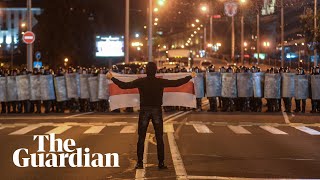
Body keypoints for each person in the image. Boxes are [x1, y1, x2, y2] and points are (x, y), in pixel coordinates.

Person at [107, 62, 196, 170]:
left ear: (146, 71)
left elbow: (124, 86)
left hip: (144, 110)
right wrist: (189, 76)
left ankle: (139, 163)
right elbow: (177, 83)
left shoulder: (141, 81)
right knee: (159, 138)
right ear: (155, 71)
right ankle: (161, 163)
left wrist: (112, 78)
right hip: (157, 110)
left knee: (141, 137)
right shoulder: (160, 81)